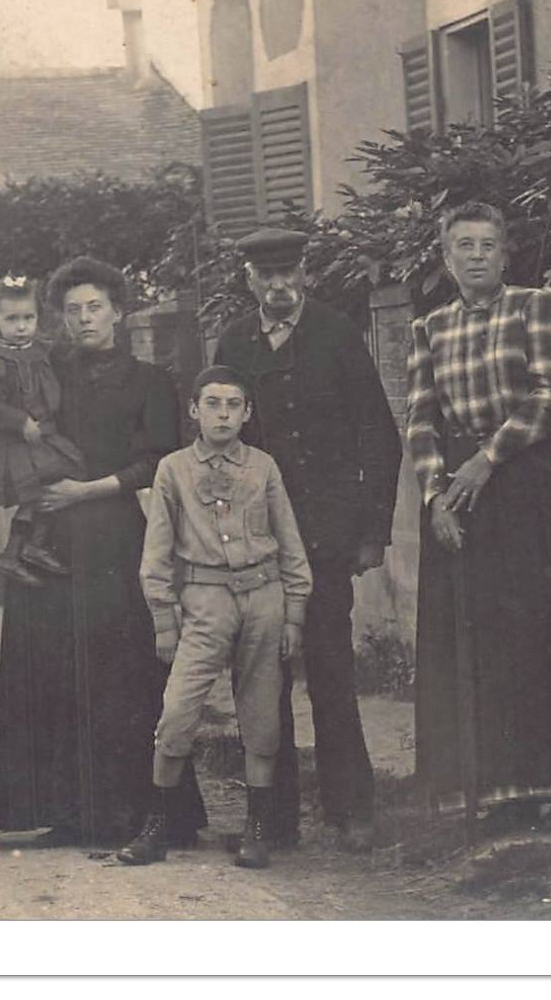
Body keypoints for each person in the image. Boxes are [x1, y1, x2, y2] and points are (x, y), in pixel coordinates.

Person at [406, 202, 551, 830]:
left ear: (505, 254)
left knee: (547, 630)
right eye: (463, 246)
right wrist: (434, 496)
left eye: (488, 245)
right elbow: (420, 418)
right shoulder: (429, 328)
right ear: (446, 259)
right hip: (462, 499)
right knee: (480, 642)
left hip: (534, 485)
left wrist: (486, 460)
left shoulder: (537, 306)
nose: (476, 256)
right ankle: (496, 793)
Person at [0, 255, 206, 849]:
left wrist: (87, 489)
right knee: (52, 667)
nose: (85, 319)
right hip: (50, 539)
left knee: (118, 671)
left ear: (118, 312)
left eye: (96, 307)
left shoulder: (149, 382)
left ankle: (137, 812)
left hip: (113, 533)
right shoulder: (46, 372)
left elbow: (158, 457)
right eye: (73, 310)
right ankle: (66, 812)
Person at [212, 227, 401, 851]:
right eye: (265, 275)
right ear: (249, 281)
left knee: (330, 671)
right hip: (257, 543)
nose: (278, 285)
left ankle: (353, 810)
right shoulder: (235, 341)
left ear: (305, 275)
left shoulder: (338, 335)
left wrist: (373, 531)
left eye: (288, 272)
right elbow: (218, 439)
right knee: (264, 678)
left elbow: (379, 434)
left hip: (326, 538)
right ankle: (274, 818)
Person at [119, 366, 313, 869]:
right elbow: (157, 552)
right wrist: (164, 616)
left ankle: (256, 829)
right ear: (194, 411)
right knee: (177, 711)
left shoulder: (264, 467)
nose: (223, 414)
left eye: (233, 405)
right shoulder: (173, 470)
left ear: (247, 413)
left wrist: (294, 614)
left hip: (264, 597)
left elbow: (290, 543)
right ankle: (156, 827)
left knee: (262, 718)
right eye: (212, 403)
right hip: (204, 602)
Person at [0, 274, 84, 587]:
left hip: (43, 435)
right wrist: (19, 421)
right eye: (12, 319)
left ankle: (25, 548)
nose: (21, 327)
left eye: (28, 318)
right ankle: (19, 549)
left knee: (57, 482)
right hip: (13, 442)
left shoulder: (41, 351)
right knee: (41, 486)